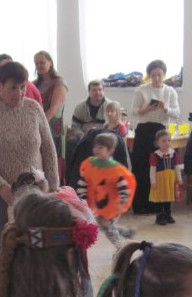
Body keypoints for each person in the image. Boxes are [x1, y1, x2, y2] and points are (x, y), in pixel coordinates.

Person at [0, 61, 59, 275]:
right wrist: (2, 187)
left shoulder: (34, 108)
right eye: (13, 88)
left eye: (23, 87)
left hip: (34, 192)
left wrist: (54, 188)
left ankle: (29, 288)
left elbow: (48, 149)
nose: (19, 93)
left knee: (34, 244)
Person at [130, 60, 180, 215]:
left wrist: (165, 108)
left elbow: (177, 113)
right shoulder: (141, 90)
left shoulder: (170, 91)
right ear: (149, 76)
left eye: (159, 75)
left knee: (160, 167)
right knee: (141, 167)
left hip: (161, 131)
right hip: (144, 130)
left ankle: (158, 205)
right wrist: (145, 109)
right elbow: (133, 111)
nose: (156, 78)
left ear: (164, 75)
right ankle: (140, 205)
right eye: (153, 75)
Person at [77, 132, 136, 249]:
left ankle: (120, 245)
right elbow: (84, 181)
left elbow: (123, 187)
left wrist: (123, 201)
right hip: (97, 203)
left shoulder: (115, 169)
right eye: (95, 146)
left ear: (110, 151)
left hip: (113, 205)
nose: (96, 149)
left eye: (100, 147)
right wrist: (82, 197)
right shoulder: (89, 165)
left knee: (107, 227)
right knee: (103, 225)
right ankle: (125, 232)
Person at [33, 50, 68, 156]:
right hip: (36, 125)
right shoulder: (34, 84)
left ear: (50, 63)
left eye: (42, 62)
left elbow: (54, 109)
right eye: (36, 63)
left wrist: (39, 125)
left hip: (52, 127)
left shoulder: (59, 82)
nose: (39, 66)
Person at [149, 130, 183, 226]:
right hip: (160, 180)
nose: (167, 143)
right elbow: (152, 169)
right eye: (163, 141)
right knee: (160, 198)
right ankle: (159, 216)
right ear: (158, 143)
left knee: (168, 197)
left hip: (170, 179)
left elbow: (177, 167)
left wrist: (179, 178)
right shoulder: (155, 155)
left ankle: (168, 215)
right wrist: (153, 181)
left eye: (169, 140)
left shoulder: (174, 154)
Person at [67, 80, 109, 146]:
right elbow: (75, 127)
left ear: (103, 91)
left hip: (104, 138)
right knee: (71, 142)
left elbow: (114, 125)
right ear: (89, 92)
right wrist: (83, 137)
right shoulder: (80, 107)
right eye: (94, 90)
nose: (97, 93)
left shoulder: (110, 106)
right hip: (83, 137)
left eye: (100, 90)